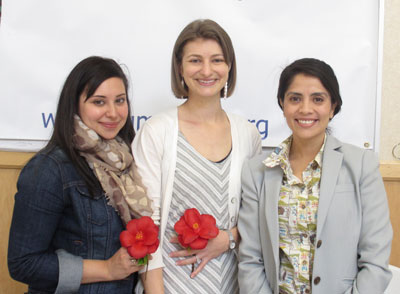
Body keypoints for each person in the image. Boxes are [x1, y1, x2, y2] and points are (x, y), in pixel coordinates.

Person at [238, 58, 393, 294]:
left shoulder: (362, 165)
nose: (305, 109)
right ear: (282, 104)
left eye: (318, 99)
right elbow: (250, 259)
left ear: (333, 107)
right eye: (295, 98)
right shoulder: (257, 171)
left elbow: (375, 260)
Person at [132, 19, 262, 293]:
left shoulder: (247, 134)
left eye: (216, 60)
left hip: (234, 284)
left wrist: (228, 238)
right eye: (195, 60)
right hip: (170, 285)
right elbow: (145, 224)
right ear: (180, 67)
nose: (206, 70)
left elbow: (257, 214)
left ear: (229, 67)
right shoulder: (157, 131)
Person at [8, 56, 153, 293]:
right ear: (74, 105)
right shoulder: (50, 168)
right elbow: (23, 264)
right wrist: (107, 269)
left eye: (120, 100)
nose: (113, 112)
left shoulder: (128, 161)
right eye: (99, 102)